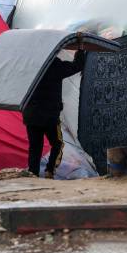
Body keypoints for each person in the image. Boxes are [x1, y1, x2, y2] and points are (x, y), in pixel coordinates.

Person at [23, 49, 86, 178]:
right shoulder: (54, 65)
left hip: (31, 115)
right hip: (49, 116)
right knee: (57, 143)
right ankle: (50, 170)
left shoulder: (29, 66)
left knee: (35, 148)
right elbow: (77, 66)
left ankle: (33, 174)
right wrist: (80, 50)